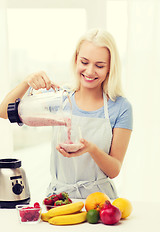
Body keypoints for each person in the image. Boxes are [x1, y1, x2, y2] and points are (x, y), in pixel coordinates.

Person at [0, 29, 133, 199]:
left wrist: (90, 149)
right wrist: (27, 81)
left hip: (100, 201)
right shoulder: (59, 98)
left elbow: (114, 170)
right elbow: (4, 111)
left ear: (110, 68)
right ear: (76, 59)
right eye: (84, 62)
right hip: (59, 199)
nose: (90, 71)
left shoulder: (121, 107)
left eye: (99, 65)